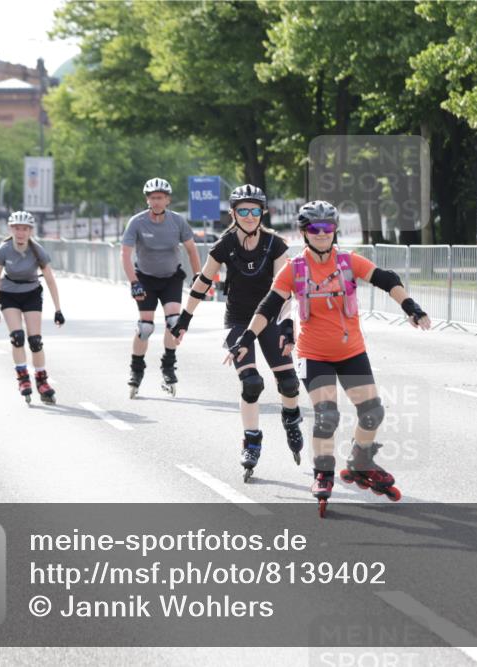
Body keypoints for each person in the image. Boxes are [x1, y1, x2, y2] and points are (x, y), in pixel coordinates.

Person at [228, 200, 431, 516]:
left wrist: (411, 307)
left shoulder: (349, 262)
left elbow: (387, 278)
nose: (322, 234)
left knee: (372, 412)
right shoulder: (293, 270)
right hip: (314, 355)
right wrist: (246, 338)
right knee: (327, 415)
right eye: (315, 228)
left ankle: (360, 459)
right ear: (304, 232)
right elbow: (267, 307)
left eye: (328, 227)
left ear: (335, 230)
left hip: (351, 352)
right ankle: (323, 473)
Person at [172, 184, 304, 482]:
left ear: (262, 212)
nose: (248, 215)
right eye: (242, 210)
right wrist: (183, 320)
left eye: (254, 210)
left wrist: (285, 324)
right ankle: (252, 440)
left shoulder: (276, 245)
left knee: (288, 382)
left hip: (269, 318)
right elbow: (203, 282)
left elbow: (284, 290)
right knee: (252, 383)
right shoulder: (224, 245)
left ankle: (291, 418)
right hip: (238, 321)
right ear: (233, 213)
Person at [121, 177, 201, 398]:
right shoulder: (137, 222)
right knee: (145, 327)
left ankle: (168, 366)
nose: (156, 202)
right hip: (145, 278)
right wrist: (134, 283)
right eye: (152, 198)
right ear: (147, 200)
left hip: (171, 277)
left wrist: (197, 276)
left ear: (168, 200)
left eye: (160, 198)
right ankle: (136, 370)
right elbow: (125, 254)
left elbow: (192, 250)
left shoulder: (177, 221)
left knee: (173, 322)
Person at [0, 211, 64, 404]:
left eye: (25, 229)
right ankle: (23, 377)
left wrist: (58, 309)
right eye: (17, 228)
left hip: (31, 293)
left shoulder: (38, 251)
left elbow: (50, 280)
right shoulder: (4, 250)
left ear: (31, 231)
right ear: (10, 229)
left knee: (35, 341)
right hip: (9, 295)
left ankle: (41, 380)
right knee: (17, 337)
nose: (20, 233)